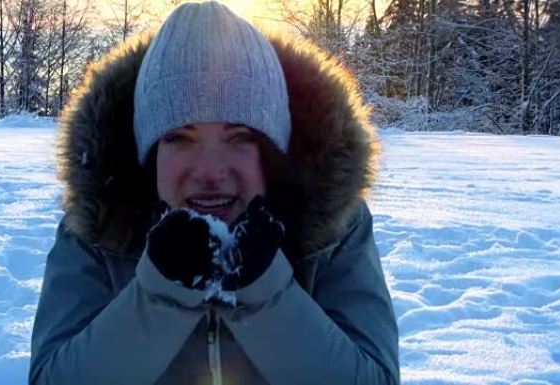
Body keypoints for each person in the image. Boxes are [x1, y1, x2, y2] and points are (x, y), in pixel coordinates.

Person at [29, 1, 399, 384]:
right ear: (149, 152)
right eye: (178, 138)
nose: (209, 172)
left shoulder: (334, 231)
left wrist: (266, 294)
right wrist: (160, 294)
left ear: (275, 151)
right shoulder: (99, 231)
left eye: (239, 137)